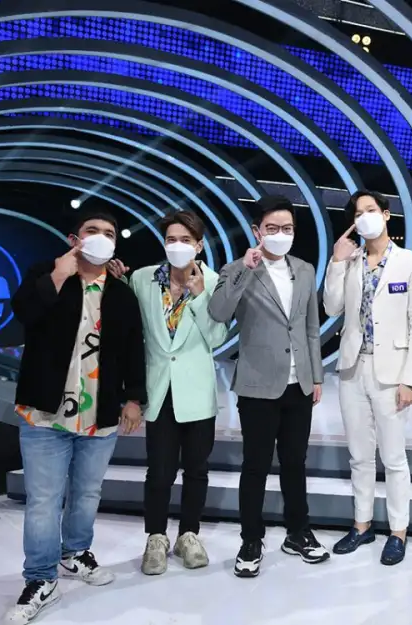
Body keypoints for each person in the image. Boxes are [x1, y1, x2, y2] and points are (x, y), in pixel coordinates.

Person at [6, 212, 146, 625]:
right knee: (44, 501)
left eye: (109, 234)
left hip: (100, 415)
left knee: (87, 493)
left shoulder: (121, 294)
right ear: (75, 238)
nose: (101, 238)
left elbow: (133, 351)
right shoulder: (46, 274)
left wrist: (134, 399)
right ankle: (40, 578)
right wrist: (58, 275)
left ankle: (75, 552)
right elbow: (23, 313)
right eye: (92, 231)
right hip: (45, 413)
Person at [208, 195, 329, 578]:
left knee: (295, 463)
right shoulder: (238, 268)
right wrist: (244, 269)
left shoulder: (305, 269)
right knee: (255, 466)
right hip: (257, 384)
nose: (281, 234)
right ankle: (251, 539)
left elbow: (310, 326)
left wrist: (316, 376)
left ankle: (298, 532)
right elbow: (218, 312)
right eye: (273, 228)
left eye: (287, 228)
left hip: (299, 384)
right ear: (257, 231)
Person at [322, 190, 412, 565]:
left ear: (385, 214)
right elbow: (332, 307)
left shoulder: (411, 262)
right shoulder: (350, 261)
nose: (364, 217)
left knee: (394, 457)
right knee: (359, 455)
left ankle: (398, 532)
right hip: (353, 367)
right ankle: (362, 525)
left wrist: (411, 379)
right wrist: (336, 262)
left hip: (393, 371)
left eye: (370, 210)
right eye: (358, 213)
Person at [125, 211, 229, 575]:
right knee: (159, 471)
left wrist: (199, 297)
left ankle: (188, 535)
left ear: (199, 245)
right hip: (158, 390)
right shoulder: (142, 279)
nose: (177, 245)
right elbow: (131, 332)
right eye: (171, 239)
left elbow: (217, 338)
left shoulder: (213, 282)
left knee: (197, 470)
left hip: (197, 392)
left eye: (185, 240)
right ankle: (156, 537)